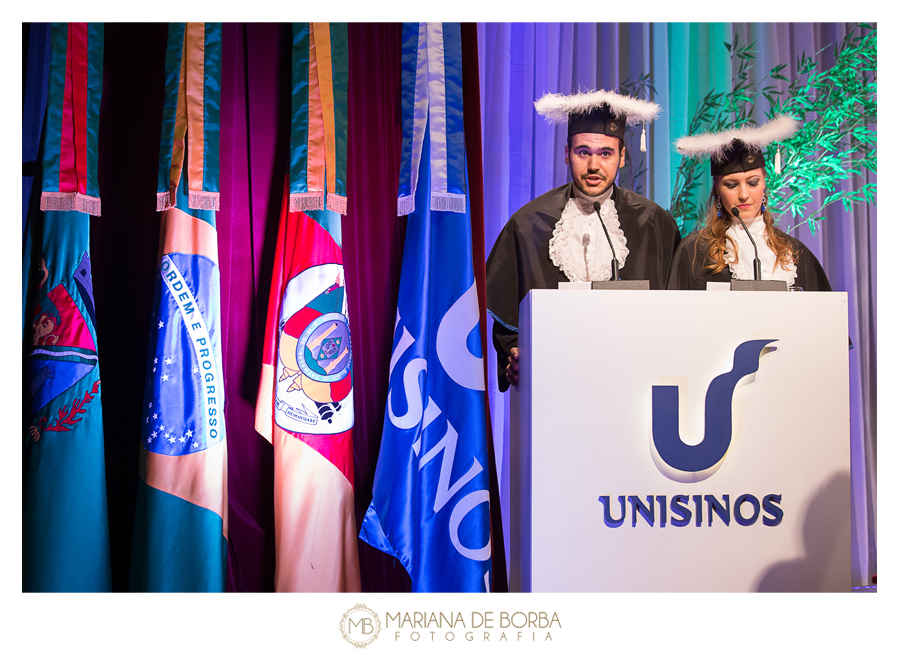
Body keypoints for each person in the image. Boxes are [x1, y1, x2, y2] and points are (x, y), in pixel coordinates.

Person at [486, 89, 681, 391]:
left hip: (635, 381)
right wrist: (513, 351)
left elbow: (678, 311)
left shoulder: (655, 224)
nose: (594, 166)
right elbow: (508, 319)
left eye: (606, 153)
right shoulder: (528, 223)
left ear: (622, 157)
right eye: (583, 152)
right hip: (554, 384)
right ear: (567, 154)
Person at [669, 115, 832, 292]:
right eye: (731, 185)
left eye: (753, 183)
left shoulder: (795, 254)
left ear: (764, 184)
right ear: (717, 189)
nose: (744, 195)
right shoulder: (694, 252)